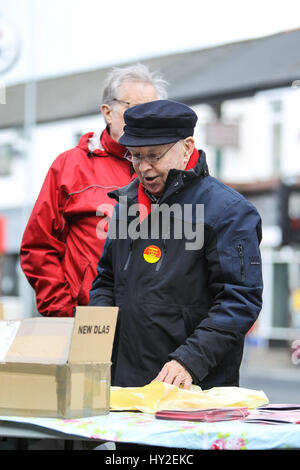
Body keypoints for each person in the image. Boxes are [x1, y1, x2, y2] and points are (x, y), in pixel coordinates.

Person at [89, 99, 263, 390]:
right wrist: (94, 341)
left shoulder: (229, 212)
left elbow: (239, 300)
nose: (144, 168)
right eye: (135, 156)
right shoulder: (126, 205)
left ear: (187, 147)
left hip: (192, 386)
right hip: (124, 385)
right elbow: (106, 281)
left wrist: (189, 360)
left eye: (154, 156)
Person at [20, 64, 168, 317]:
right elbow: (38, 246)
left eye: (151, 112)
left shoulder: (170, 168)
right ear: (108, 112)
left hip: (153, 324)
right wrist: (64, 313)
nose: (143, 119)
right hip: (90, 318)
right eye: (132, 110)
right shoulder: (70, 167)